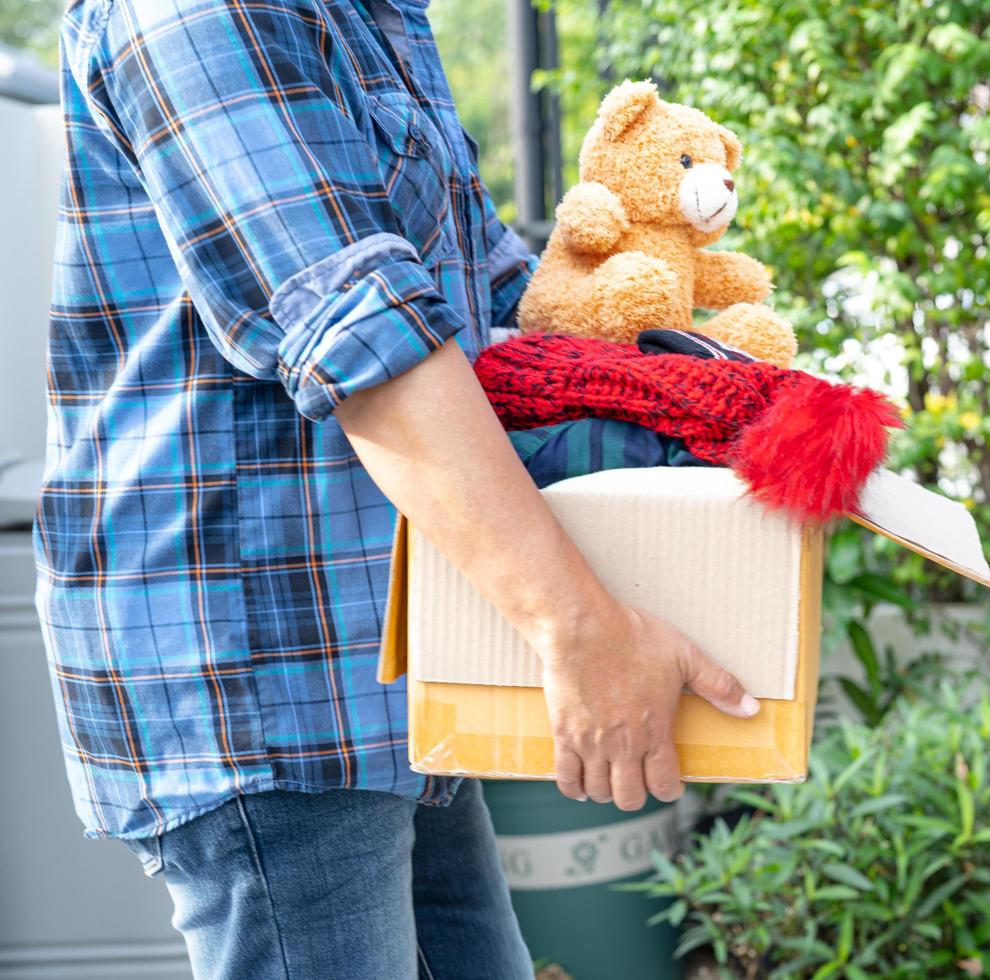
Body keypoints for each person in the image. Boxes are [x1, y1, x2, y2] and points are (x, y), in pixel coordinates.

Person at [37, 0, 760, 976]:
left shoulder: (376, 19)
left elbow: (492, 299)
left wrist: (722, 390)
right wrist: (578, 623)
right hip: (263, 668)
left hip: (396, 650)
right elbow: (362, 339)